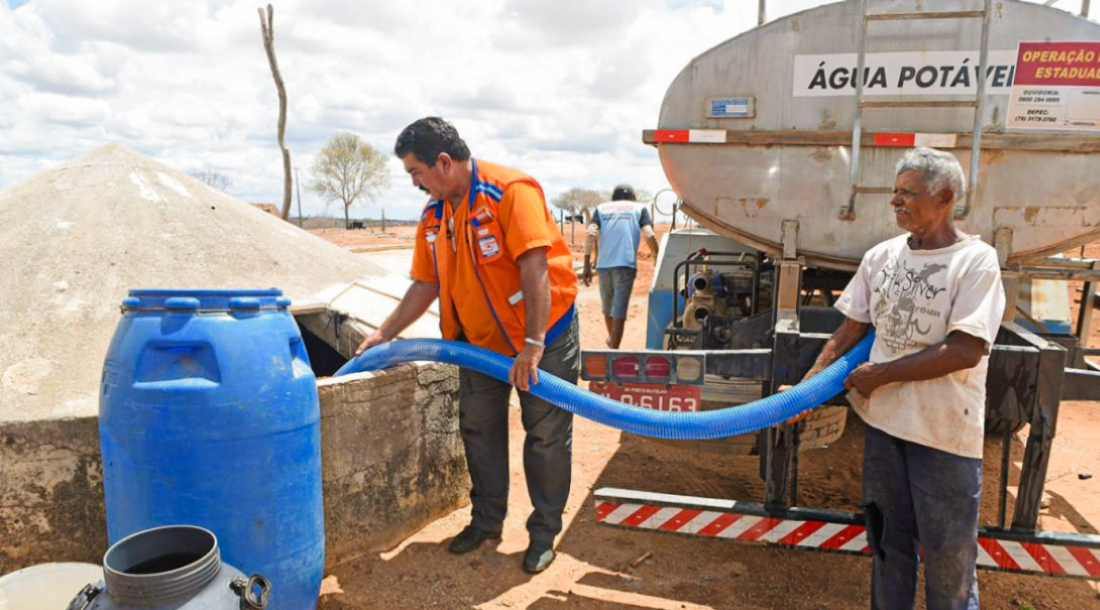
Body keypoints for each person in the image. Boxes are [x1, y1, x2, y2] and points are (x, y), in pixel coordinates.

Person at [355, 117, 580, 574]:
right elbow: (425, 283)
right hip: (478, 347)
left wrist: (533, 347)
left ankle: (542, 533)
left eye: (416, 172)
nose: (414, 183)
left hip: (542, 340)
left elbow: (534, 267)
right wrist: (386, 333)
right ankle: (487, 521)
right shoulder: (434, 215)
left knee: (545, 437)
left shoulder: (510, 191)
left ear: (443, 162)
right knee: (478, 431)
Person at [799, 147, 1005, 609]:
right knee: (889, 550)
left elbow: (967, 349)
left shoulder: (975, 262)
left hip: (943, 436)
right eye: (895, 193)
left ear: (945, 197)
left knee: (950, 565)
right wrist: (803, 391)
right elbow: (850, 329)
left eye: (908, 194)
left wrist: (882, 375)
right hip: (885, 429)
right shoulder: (881, 257)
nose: (896, 202)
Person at [582, 184, 659, 348]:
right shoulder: (639, 208)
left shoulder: (601, 208)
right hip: (625, 263)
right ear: (632, 197)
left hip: (603, 265)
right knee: (619, 307)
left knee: (607, 306)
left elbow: (591, 233)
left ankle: (612, 342)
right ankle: (614, 346)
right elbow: (649, 234)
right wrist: (657, 256)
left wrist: (586, 264)